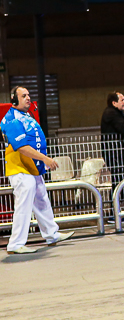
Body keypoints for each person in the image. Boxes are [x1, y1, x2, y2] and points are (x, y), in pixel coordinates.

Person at [2, 87, 74, 254]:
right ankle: (15, 244)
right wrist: (44, 159)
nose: (28, 98)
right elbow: (22, 147)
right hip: (19, 169)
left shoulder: (27, 116)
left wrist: (40, 162)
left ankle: (51, 234)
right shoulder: (11, 119)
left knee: (41, 197)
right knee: (24, 203)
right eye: (24, 96)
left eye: (29, 95)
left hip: (31, 167)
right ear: (14, 100)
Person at [101, 91, 124, 190]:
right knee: (119, 179)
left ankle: (116, 202)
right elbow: (122, 127)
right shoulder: (111, 113)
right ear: (114, 103)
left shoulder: (118, 113)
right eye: (122, 100)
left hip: (118, 152)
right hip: (114, 153)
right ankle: (114, 203)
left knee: (121, 179)